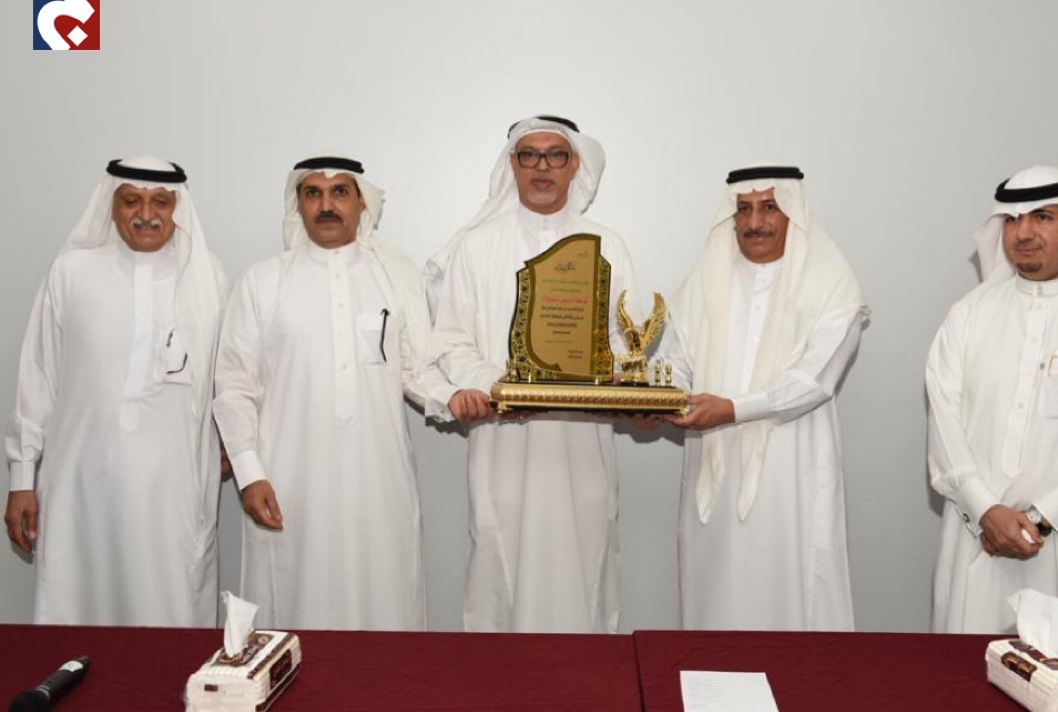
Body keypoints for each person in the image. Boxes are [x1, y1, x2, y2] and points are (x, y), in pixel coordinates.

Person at [213, 155, 470, 630]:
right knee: (294, 603)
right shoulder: (262, 282)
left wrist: (453, 399)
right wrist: (249, 475)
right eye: (313, 193)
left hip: (379, 481)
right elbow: (234, 387)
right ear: (298, 204)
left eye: (339, 193)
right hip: (289, 482)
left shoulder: (394, 278)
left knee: (384, 600)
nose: (326, 205)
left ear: (361, 203)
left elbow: (415, 369)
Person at [426, 115, 642, 633]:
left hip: (582, 444)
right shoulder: (476, 247)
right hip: (503, 440)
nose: (542, 167)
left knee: (585, 564)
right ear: (513, 165)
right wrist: (509, 384)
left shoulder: (607, 245)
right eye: (530, 155)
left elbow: (626, 342)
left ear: (575, 166)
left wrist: (602, 377)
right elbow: (452, 342)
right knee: (500, 566)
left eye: (555, 155)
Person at [5, 157, 227, 626]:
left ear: (178, 208)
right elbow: (37, 377)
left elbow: (228, 375)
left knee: (168, 611)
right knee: (78, 605)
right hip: (81, 483)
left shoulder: (208, 278)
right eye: (132, 201)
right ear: (112, 205)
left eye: (160, 202)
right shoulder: (71, 272)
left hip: (173, 484)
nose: (146, 213)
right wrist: (21, 478)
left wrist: (228, 439)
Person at [927, 165, 1058, 634]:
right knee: (963, 674)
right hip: (979, 540)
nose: (1023, 233)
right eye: (1011, 219)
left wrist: (1043, 518)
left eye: (1042, 217)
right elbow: (944, 427)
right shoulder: (968, 317)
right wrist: (986, 510)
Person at [667, 164, 868, 630]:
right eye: (744, 209)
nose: (755, 222)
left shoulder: (830, 284)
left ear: (792, 212)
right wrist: (662, 401)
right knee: (716, 592)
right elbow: (677, 360)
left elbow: (814, 381)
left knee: (791, 587)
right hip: (715, 468)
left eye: (769, 208)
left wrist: (732, 409)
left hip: (791, 467)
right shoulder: (705, 280)